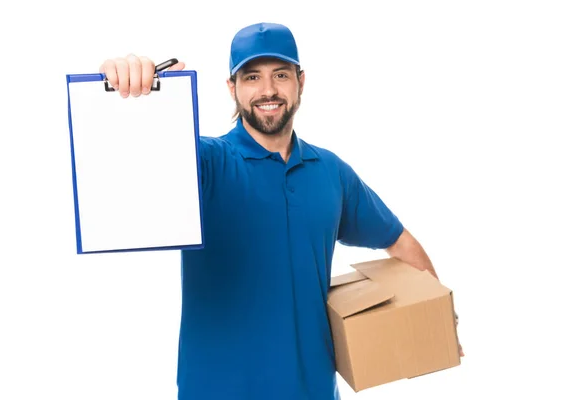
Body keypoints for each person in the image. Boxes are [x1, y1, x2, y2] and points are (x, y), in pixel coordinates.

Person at [99, 22, 463, 400]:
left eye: (281, 75)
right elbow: (134, 164)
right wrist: (128, 88)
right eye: (252, 77)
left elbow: (399, 241)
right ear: (232, 88)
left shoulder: (331, 173)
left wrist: (440, 320)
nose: (268, 90)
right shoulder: (204, 163)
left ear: (300, 82)